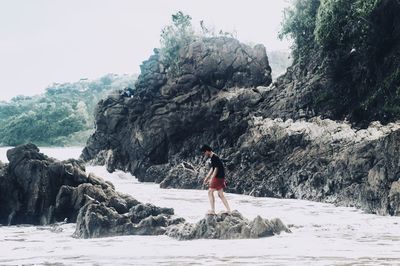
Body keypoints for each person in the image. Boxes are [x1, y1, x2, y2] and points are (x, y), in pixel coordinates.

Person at [200, 144, 231, 215]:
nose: (204, 154)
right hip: (220, 177)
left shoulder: (214, 157)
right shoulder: (213, 157)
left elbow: (216, 169)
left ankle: (213, 210)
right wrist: (207, 177)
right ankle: (229, 210)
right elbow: (212, 168)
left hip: (218, 177)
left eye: (204, 153)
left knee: (210, 192)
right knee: (220, 195)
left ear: (207, 151)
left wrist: (211, 179)